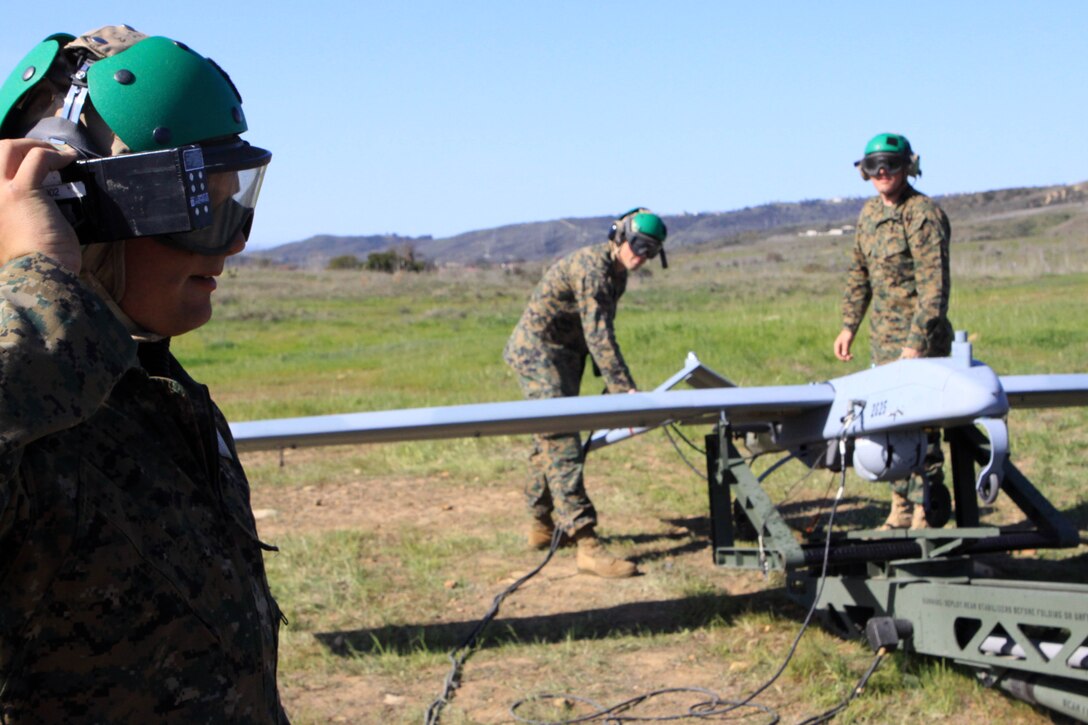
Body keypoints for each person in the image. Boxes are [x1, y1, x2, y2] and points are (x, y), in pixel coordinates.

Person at [0, 26, 288, 722]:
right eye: (200, 209)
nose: (234, 243)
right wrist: (40, 286)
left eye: (236, 201)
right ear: (75, 205)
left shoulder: (156, 392)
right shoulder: (32, 428)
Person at [504, 208, 667, 578]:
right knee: (561, 437)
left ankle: (542, 526)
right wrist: (624, 388)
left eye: (652, 252)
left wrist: (613, 384)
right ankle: (586, 543)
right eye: (639, 246)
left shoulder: (617, 274)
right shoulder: (592, 268)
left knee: (547, 440)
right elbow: (598, 335)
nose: (642, 257)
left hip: (566, 355)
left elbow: (597, 330)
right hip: (538, 353)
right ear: (619, 236)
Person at [833, 132, 953, 530]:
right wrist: (849, 325)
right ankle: (900, 507)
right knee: (888, 425)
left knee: (923, 428)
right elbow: (858, 274)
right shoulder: (869, 214)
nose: (882, 173)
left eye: (891, 165)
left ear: (908, 167)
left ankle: (927, 509)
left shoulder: (922, 214)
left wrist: (916, 345)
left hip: (921, 345)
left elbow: (934, 289)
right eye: (874, 167)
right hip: (883, 344)